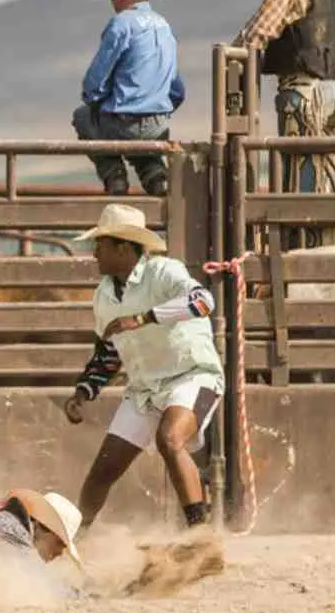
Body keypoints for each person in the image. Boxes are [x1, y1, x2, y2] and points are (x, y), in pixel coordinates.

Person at [62, 203, 221, 531]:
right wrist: (83, 391)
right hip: (145, 391)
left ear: (123, 247)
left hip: (197, 378)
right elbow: (108, 352)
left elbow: (204, 301)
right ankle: (72, 540)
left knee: (170, 439)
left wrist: (143, 318)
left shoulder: (164, 272)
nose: (95, 253)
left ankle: (200, 534)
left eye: (101, 244)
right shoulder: (104, 296)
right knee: (103, 471)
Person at [231, 0, 335, 250]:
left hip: (302, 92)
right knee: (319, 173)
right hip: (331, 89)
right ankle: (321, 247)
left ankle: (300, 254)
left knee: (297, 174)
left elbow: (257, 33)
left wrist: (232, 54)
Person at [73, 0, 185, 197]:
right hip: (158, 125)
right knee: (144, 144)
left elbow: (96, 81)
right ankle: (156, 177)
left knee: (83, 116)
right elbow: (177, 89)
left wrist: (94, 99)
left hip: (123, 122)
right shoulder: (165, 27)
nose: (112, 0)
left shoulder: (121, 24)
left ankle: (115, 177)